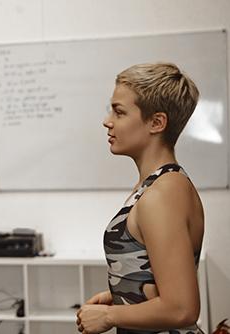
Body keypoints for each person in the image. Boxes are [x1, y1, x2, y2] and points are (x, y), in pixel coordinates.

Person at [76, 63, 204, 334]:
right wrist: (122, 293)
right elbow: (159, 278)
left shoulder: (162, 195)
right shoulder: (157, 185)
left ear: (156, 123)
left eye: (119, 111)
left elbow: (182, 308)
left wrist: (111, 316)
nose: (107, 120)